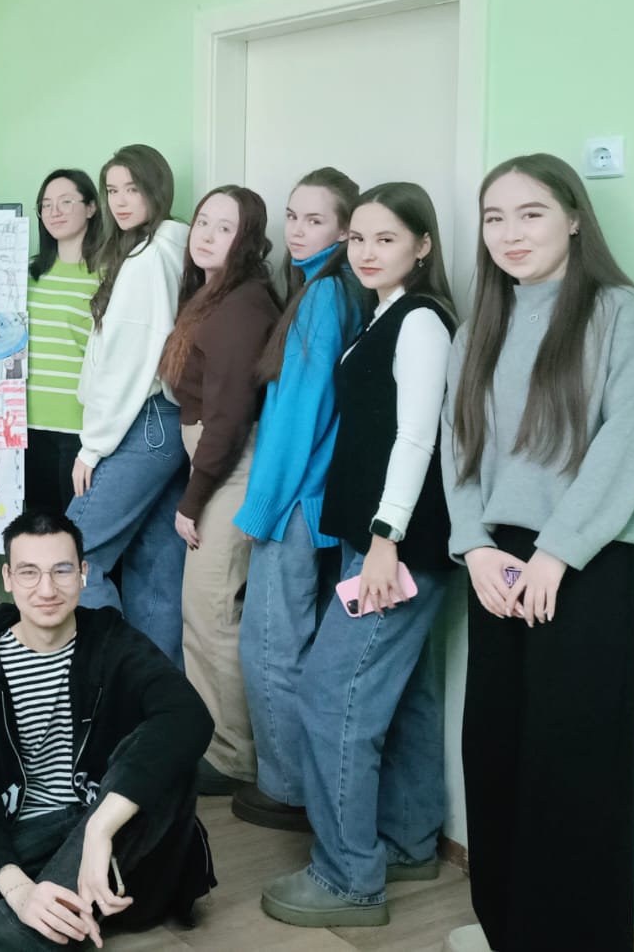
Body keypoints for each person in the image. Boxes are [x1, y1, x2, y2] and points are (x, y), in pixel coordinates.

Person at [441, 154, 634, 952]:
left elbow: (631, 441)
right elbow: (459, 449)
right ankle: (510, 932)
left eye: (531, 213)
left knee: (574, 774)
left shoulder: (621, 314)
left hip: (592, 562)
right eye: (494, 218)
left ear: (574, 218)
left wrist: (558, 554)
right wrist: (472, 546)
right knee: (496, 759)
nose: (511, 233)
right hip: (496, 564)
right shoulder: (478, 328)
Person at [260, 182, 458, 927]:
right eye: (360, 239)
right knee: (404, 697)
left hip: (395, 550)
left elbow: (417, 439)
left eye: (387, 239)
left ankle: (349, 879)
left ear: (423, 245)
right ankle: (407, 841)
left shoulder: (422, 322)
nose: (368, 252)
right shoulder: (380, 313)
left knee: (330, 693)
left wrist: (384, 539)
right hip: (376, 544)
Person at [0, 509, 216, 951]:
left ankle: (37, 929)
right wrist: (19, 892)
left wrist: (99, 828)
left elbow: (190, 716)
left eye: (62, 570)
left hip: (115, 844)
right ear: (8, 578)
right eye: (29, 572)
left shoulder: (113, 641)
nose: (46, 589)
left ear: (83, 574)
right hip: (30, 841)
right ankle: (47, 926)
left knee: (168, 758)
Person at [232, 166, 366, 831]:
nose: (297, 230)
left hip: (295, 505)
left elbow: (298, 417)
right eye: (292, 216)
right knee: (292, 644)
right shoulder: (333, 289)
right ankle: (298, 785)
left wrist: (261, 509)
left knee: (270, 648)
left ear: (344, 231)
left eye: (315, 220)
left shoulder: (323, 296)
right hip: (317, 502)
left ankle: (287, 791)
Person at [155, 185, 279, 796]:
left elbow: (228, 418)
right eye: (203, 221)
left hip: (229, 470)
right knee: (202, 613)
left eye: (224, 228)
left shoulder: (242, 306)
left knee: (212, 614)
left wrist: (193, 498)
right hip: (216, 463)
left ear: (248, 240)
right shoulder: (215, 294)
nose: (206, 235)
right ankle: (215, 743)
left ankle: (232, 757)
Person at [63, 144, 190, 660]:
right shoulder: (173, 246)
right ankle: (157, 695)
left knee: (70, 557)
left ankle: (110, 677)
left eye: (132, 189)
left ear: (157, 189)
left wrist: (91, 447)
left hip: (143, 423)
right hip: (171, 426)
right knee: (156, 567)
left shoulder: (146, 259)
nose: (119, 201)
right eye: (112, 190)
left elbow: (126, 363)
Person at [25, 168, 102, 515]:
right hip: (25, 426)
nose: (54, 212)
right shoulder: (28, 275)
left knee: (77, 532)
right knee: (37, 530)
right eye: (46, 204)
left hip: (79, 429)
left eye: (66, 202)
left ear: (91, 208)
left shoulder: (108, 276)